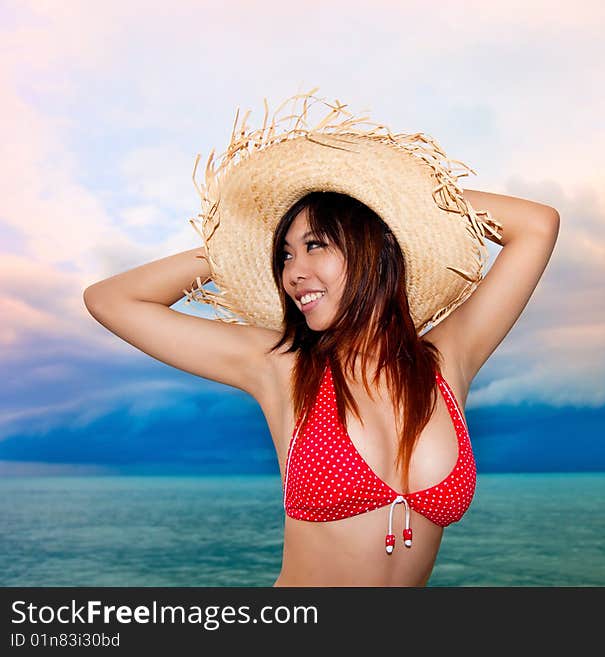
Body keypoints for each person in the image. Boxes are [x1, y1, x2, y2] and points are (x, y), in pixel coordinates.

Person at [82, 90, 559, 586]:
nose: (294, 273)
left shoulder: (446, 362)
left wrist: (399, 205)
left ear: (373, 246)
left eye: (315, 247)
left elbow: (537, 226)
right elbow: (111, 300)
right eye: (284, 255)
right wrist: (235, 243)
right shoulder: (280, 365)